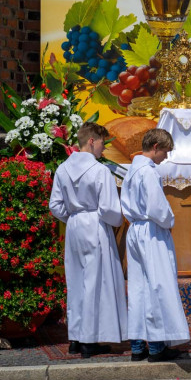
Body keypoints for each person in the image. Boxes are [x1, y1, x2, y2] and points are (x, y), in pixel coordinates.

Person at [49, 122, 127, 358]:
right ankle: (89, 341)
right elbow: (109, 209)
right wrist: (117, 220)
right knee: (95, 281)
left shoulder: (63, 169)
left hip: (74, 226)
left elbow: (55, 205)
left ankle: (75, 337)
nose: (103, 149)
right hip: (94, 225)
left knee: (76, 281)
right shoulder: (100, 171)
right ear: (91, 141)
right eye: (102, 143)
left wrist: (73, 216)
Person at [120, 128, 190, 362]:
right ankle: (158, 346)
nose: (166, 158)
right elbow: (156, 207)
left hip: (135, 229)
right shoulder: (148, 172)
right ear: (156, 147)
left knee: (139, 287)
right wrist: (169, 220)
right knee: (157, 285)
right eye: (166, 152)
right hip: (151, 231)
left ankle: (138, 345)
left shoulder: (132, 169)